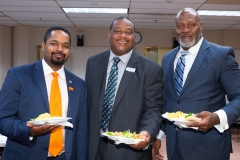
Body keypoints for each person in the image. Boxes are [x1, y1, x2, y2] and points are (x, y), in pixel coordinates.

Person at [152, 8, 240, 160]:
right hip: (174, 146)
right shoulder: (167, 58)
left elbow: (238, 97)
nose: (185, 30)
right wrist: (159, 135)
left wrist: (216, 117)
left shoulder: (221, 55)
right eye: (180, 26)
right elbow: (169, 101)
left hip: (209, 146)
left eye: (191, 25)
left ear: (201, 26)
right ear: (175, 29)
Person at [0, 26, 88, 160]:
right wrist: (29, 130)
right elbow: (3, 119)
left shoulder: (79, 85)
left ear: (69, 50)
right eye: (54, 43)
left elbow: (81, 132)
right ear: (43, 45)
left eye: (65, 45)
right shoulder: (18, 75)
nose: (59, 49)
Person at [85, 16, 164, 160]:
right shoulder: (93, 63)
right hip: (94, 148)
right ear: (109, 34)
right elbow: (88, 103)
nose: (123, 36)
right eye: (117, 31)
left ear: (134, 36)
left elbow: (153, 109)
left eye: (128, 32)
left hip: (130, 151)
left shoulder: (151, 69)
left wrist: (147, 132)